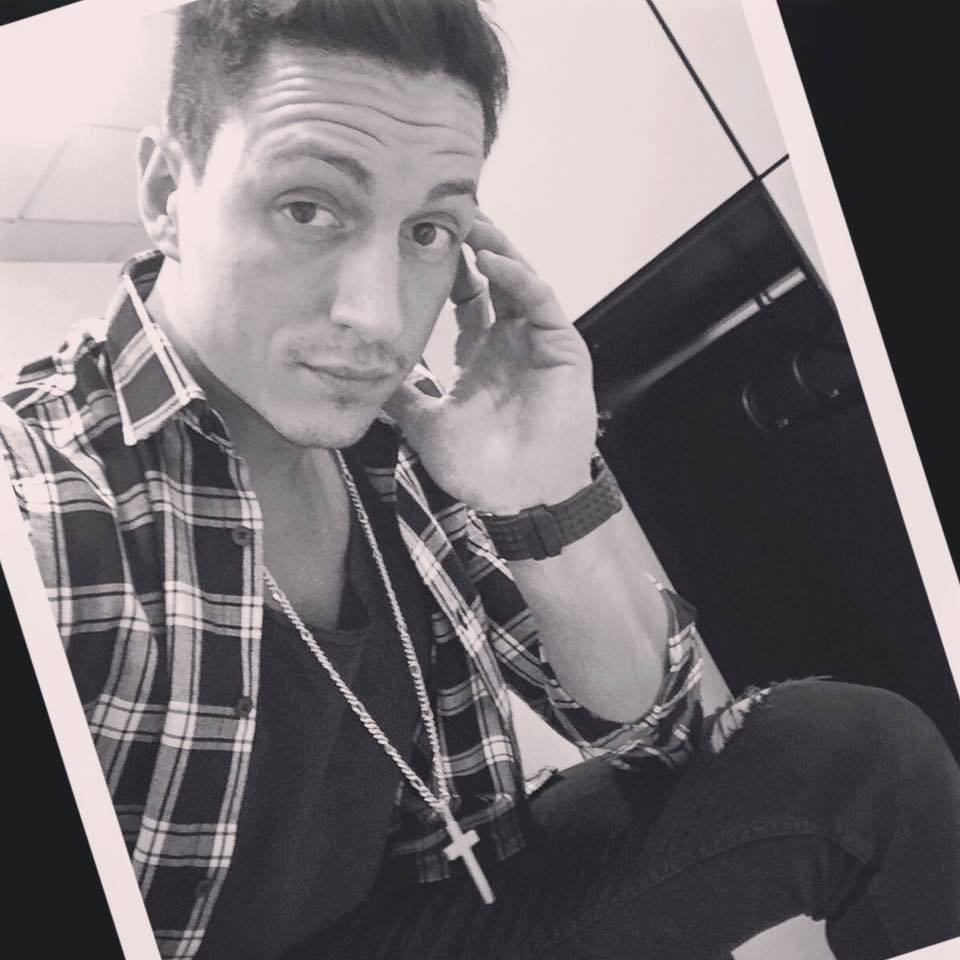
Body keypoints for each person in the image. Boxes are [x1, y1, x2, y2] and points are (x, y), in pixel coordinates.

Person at [1, 1, 958, 958]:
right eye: (307, 208)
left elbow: (657, 734)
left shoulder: (406, 430)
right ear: (167, 190)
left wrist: (545, 497)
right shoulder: (44, 495)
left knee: (855, 756)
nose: (379, 317)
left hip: (445, 900)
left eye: (427, 231)